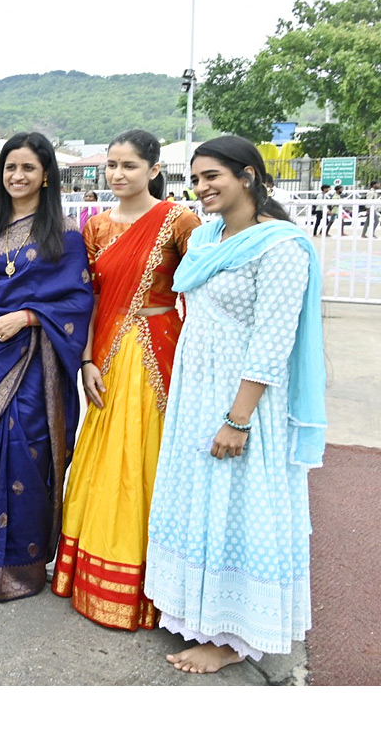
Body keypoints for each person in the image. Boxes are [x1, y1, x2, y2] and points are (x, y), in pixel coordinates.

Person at [145, 135, 325, 674]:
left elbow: (273, 342)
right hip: (195, 391)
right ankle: (199, 612)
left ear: (247, 175)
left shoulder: (281, 247)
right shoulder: (206, 240)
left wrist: (237, 419)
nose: (200, 189)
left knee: (236, 506)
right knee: (200, 499)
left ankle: (233, 636)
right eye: (195, 179)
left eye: (211, 177)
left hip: (241, 400)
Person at [50, 130, 200, 629]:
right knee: (102, 457)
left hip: (160, 348)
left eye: (129, 166)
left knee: (147, 458)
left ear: (154, 170)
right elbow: (87, 297)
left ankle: (151, 585)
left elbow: (201, 294)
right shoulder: (95, 227)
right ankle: (91, 573)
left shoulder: (180, 221)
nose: (117, 174)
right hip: (107, 355)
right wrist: (87, 360)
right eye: (111, 165)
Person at [0, 132, 93, 600]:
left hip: (36, 361)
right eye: (10, 167)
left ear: (46, 174)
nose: (17, 176)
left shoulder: (64, 233)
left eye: (28, 168)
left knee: (23, 450)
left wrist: (30, 316)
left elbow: (78, 300)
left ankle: (19, 567)